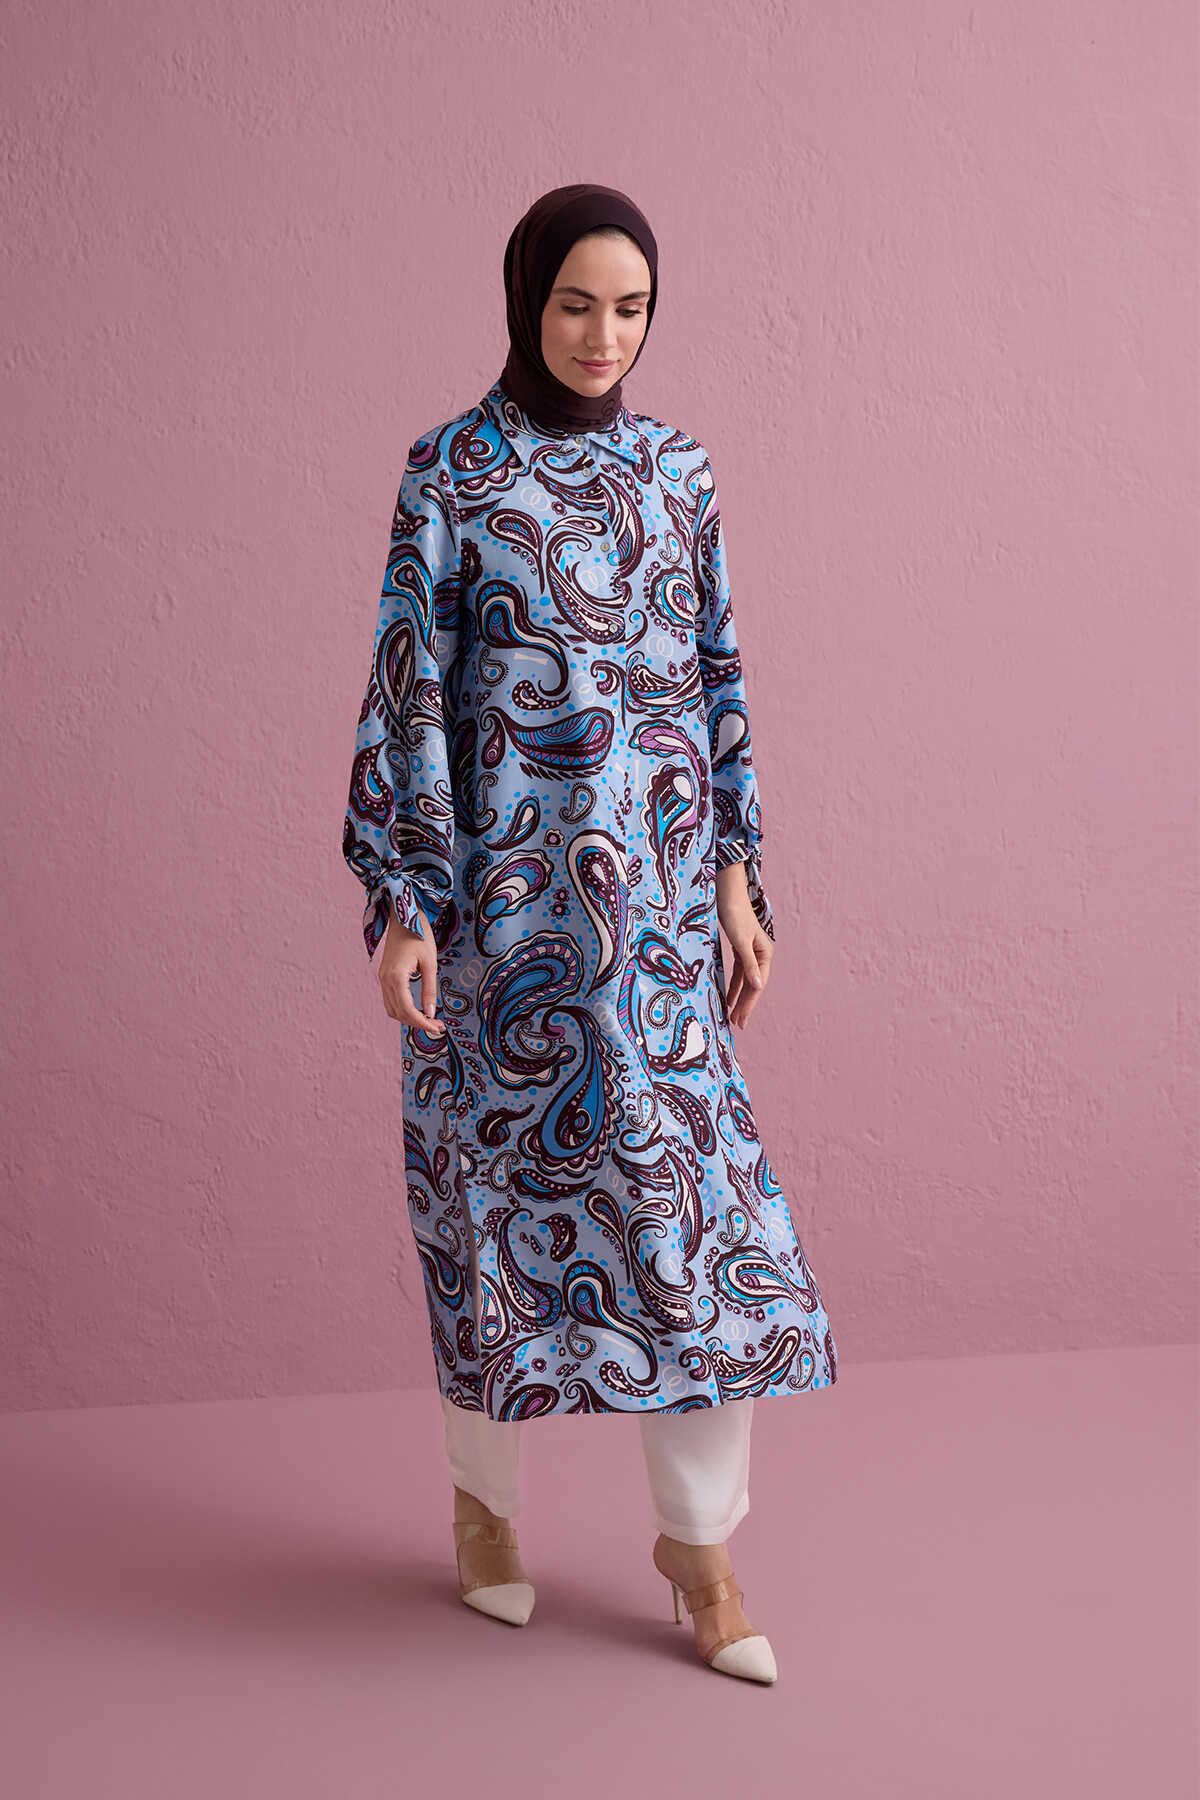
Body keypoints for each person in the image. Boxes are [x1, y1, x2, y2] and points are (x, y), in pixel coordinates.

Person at [341, 182, 839, 1684]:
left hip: (661, 931)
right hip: (501, 929)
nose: (603, 335)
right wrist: (405, 906)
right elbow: (408, 692)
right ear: (524, 299)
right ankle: (484, 1513)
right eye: (575, 304)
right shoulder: (453, 473)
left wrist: (739, 879)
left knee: (696, 1233)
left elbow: (715, 677)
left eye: (631, 308)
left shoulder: (679, 475)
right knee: (492, 1222)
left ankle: (699, 1549)